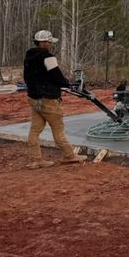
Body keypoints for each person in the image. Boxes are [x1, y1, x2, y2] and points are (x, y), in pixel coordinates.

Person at [22, 30, 85, 169]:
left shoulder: (29, 56)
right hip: (49, 99)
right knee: (58, 129)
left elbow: (29, 77)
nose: (50, 44)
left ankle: (36, 160)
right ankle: (70, 156)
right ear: (43, 42)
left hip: (34, 98)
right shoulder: (48, 57)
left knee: (35, 129)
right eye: (49, 42)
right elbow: (57, 77)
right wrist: (68, 83)